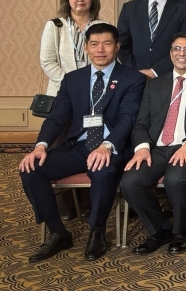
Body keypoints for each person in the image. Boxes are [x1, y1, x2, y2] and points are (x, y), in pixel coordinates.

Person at [20, 23, 145, 262]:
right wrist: (40, 146)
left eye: (107, 44)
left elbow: (127, 118)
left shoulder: (132, 79)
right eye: (94, 44)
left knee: (102, 170)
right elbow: (57, 117)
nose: (101, 50)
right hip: (78, 146)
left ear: (117, 47)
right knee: (31, 168)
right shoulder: (72, 79)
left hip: (112, 146)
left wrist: (107, 146)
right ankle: (57, 232)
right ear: (86, 47)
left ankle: (97, 232)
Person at [120, 32, 186, 255]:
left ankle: (179, 232)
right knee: (130, 181)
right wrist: (141, 149)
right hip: (157, 148)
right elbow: (141, 124)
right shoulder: (154, 85)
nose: (181, 53)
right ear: (170, 54)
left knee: (176, 178)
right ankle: (161, 229)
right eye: (177, 49)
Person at [40, 0, 107, 96]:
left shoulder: (104, 27)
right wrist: (69, 83)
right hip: (61, 92)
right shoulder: (55, 26)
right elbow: (47, 61)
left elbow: (109, 60)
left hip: (95, 91)